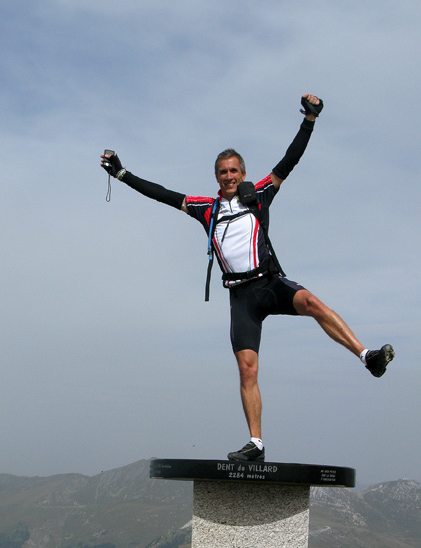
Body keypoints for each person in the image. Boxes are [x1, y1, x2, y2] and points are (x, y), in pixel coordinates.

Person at [101, 93, 394, 462]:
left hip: (270, 284)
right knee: (247, 368)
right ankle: (256, 443)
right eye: (222, 172)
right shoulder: (205, 208)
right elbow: (160, 193)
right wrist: (122, 173)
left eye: (234, 171)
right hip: (241, 298)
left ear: (242, 173)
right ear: (216, 177)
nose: (228, 177)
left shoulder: (259, 195)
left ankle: (367, 357)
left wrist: (309, 119)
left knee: (313, 303)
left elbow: (290, 160)